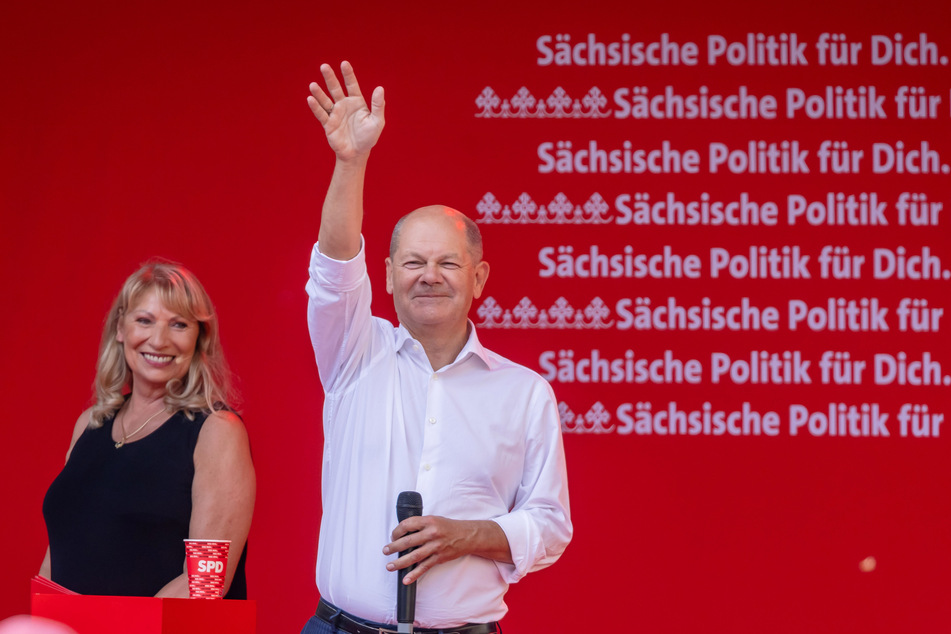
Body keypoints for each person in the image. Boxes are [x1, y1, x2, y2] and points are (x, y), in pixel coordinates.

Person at [300, 61, 571, 634]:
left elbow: (549, 525)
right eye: (414, 263)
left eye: (448, 263)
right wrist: (351, 163)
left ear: (480, 278)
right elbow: (333, 271)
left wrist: (469, 534)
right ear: (389, 274)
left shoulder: (524, 393)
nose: (430, 276)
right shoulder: (356, 352)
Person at [40, 261, 255, 599]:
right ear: (121, 328)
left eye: (179, 324)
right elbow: (59, 556)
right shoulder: (90, 424)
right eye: (144, 320)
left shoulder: (216, 431)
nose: (159, 340)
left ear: (200, 337)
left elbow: (204, 583)